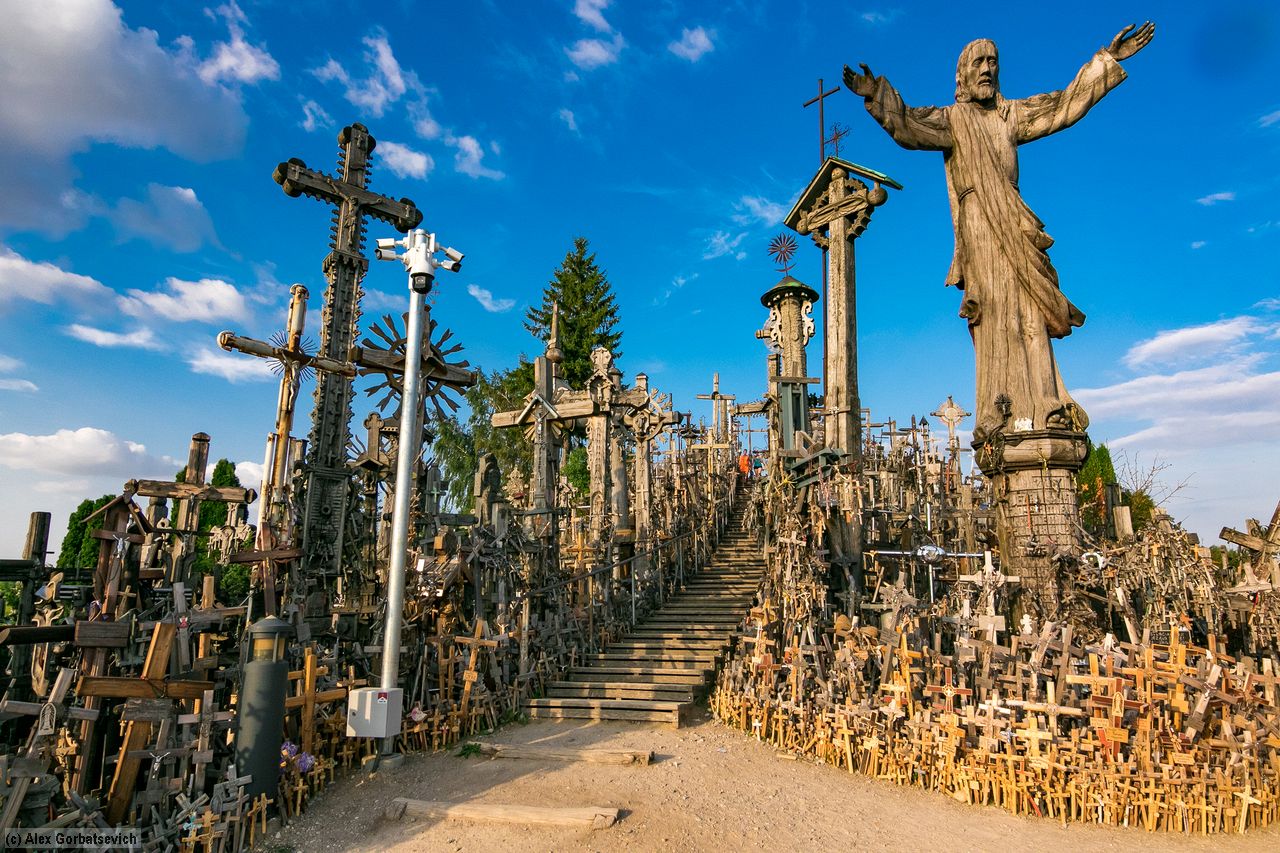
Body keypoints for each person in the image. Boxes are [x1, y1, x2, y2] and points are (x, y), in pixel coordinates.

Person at [843, 23, 1154, 443]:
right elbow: (909, 126)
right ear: (962, 75)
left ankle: (1046, 405)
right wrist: (876, 94)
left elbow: (1063, 106)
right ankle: (997, 409)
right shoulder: (952, 121)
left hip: (1014, 220)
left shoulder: (1012, 116)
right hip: (980, 228)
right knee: (992, 315)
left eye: (993, 62)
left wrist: (1107, 61)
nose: (987, 69)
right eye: (978, 62)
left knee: (1032, 313)